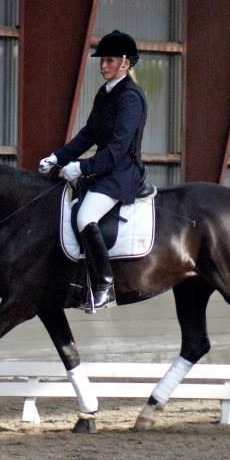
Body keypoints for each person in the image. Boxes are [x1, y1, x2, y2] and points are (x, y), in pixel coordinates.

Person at [39, 29, 148, 312]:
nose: (103, 65)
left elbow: (119, 148)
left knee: (86, 217)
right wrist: (57, 157)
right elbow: (89, 134)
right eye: (102, 61)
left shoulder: (130, 98)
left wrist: (82, 168)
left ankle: (105, 285)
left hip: (122, 172)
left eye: (109, 60)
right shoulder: (106, 93)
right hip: (104, 170)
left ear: (125, 62)